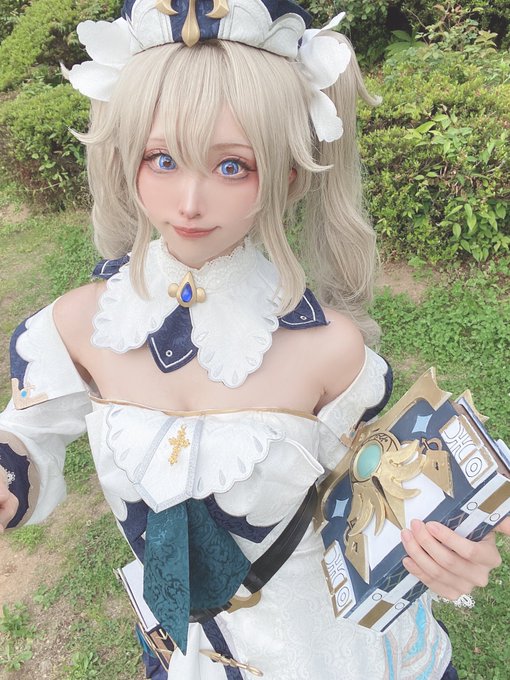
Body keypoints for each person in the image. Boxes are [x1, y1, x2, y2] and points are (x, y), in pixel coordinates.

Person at [0, 1, 508, 678]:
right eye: (162, 159)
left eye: (232, 166)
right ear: (126, 161)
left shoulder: (331, 351)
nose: (189, 202)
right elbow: (27, 432)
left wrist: (441, 547)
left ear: (288, 175)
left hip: (326, 654)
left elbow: (376, 498)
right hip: (182, 652)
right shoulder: (77, 325)